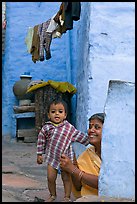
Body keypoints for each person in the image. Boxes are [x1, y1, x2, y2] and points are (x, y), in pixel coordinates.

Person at [36, 99, 90, 202]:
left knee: (66, 178)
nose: (56, 113)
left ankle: (67, 197)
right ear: (48, 115)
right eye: (53, 111)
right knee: (50, 178)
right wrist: (39, 154)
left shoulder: (69, 128)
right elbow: (41, 140)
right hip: (52, 157)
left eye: (60, 111)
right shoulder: (47, 128)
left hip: (65, 158)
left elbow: (79, 136)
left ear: (65, 115)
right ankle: (52, 195)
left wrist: (91, 141)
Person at [60, 113, 105, 200]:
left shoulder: (114, 158)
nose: (91, 130)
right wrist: (72, 164)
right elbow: (78, 187)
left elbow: (105, 184)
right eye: (90, 127)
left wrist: (74, 170)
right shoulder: (87, 154)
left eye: (97, 127)